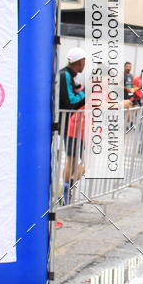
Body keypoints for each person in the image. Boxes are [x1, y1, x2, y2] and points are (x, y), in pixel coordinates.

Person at [59, 47, 86, 204]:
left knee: (72, 159)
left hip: (72, 125)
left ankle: (66, 191)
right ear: (80, 61)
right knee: (74, 159)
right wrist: (86, 93)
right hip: (70, 125)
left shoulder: (70, 75)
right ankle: (65, 190)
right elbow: (70, 102)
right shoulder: (65, 75)